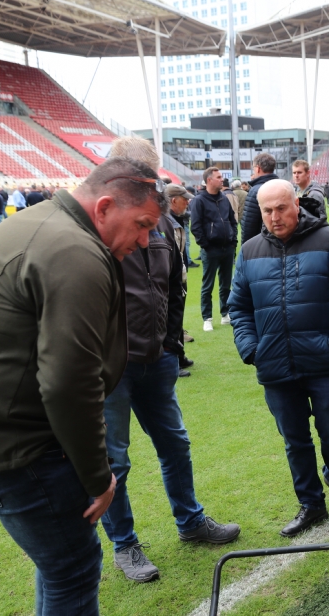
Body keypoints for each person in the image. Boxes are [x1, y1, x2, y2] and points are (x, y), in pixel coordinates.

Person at [0, 157, 169, 614]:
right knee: (74, 568)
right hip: (12, 440)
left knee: (61, 565)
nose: (146, 241)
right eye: (142, 225)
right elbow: (69, 381)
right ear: (104, 206)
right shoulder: (75, 251)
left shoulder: (47, 223)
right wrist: (98, 476)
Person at [100, 142, 239, 583]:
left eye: (151, 172)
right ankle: (125, 545)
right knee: (114, 462)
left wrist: (171, 344)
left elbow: (172, 286)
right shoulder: (96, 220)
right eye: (142, 171)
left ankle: (191, 521)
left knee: (175, 444)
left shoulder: (162, 219)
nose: (150, 180)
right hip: (111, 367)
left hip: (157, 357)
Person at [229, 179, 329, 537]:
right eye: (267, 211)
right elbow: (239, 306)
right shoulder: (250, 251)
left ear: (296, 204)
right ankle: (312, 504)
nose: (275, 217)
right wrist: (251, 349)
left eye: (280, 208)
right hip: (275, 366)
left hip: (326, 364)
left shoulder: (327, 241)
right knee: (295, 441)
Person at [191, 167, 238, 332]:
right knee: (208, 285)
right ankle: (207, 318)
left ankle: (225, 313)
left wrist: (233, 240)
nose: (222, 180)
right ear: (209, 180)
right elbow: (195, 226)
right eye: (218, 177)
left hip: (227, 247)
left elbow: (232, 221)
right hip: (210, 249)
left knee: (226, 284)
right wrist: (206, 245)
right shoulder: (199, 200)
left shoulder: (224, 199)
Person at [166, 184, 195, 376]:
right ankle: (173, 361)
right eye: (184, 198)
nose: (187, 201)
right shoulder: (165, 222)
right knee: (171, 320)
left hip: (178, 276)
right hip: (170, 278)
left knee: (178, 318)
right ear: (173, 200)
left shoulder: (176, 220)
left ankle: (180, 356)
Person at [240, 152, 280, 244]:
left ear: (258, 168)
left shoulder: (255, 191)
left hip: (262, 245)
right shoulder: (282, 187)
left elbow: (248, 226)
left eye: (253, 168)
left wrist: (246, 249)